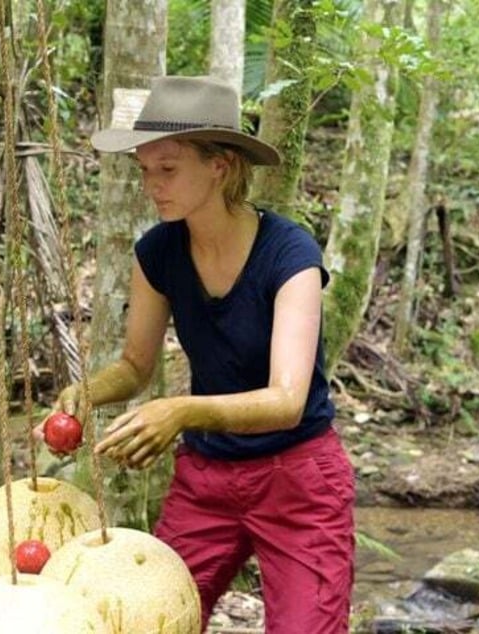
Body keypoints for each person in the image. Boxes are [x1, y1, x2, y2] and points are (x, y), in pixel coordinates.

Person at [39, 76, 355, 632]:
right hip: (206, 478)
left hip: (298, 480)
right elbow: (137, 367)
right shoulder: (158, 251)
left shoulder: (290, 253)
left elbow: (286, 400)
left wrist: (180, 411)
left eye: (168, 169)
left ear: (221, 165)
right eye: (143, 171)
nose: (151, 185)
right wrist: (84, 395)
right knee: (153, 617)